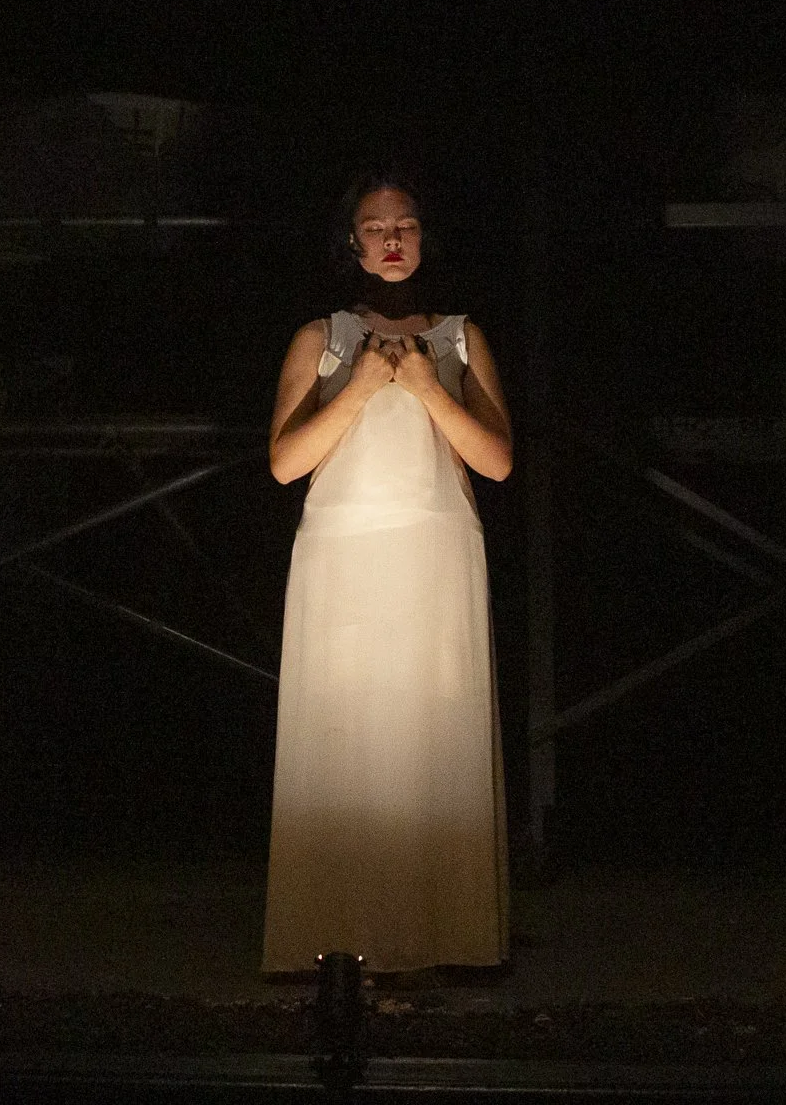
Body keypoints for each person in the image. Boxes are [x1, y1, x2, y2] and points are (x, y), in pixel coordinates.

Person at [262, 173, 515, 976]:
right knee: (346, 734)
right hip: (345, 552)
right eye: (377, 228)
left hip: (435, 550)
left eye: (406, 225)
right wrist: (365, 385)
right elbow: (284, 462)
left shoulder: (463, 337)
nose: (393, 240)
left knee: (430, 734)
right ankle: (334, 934)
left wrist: (426, 389)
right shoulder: (322, 338)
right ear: (353, 242)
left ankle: (441, 936)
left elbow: (497, 461)